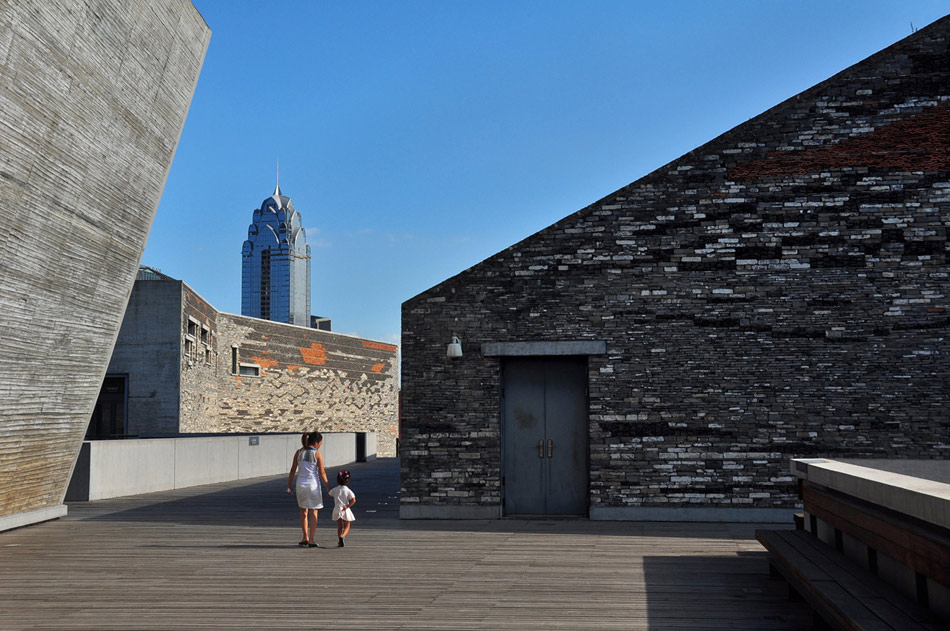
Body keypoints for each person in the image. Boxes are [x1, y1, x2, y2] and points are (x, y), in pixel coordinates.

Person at [286, 432, 329, 547]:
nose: (320, 445)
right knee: (314, 511)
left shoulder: (298, 452)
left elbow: (292, 470)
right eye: (320, 443)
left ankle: (304, 536)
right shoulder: (317, 454)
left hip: (300, 484)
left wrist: (289, 485)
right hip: (313, 485)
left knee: (303, 511)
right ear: (316, 442)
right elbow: (322, 472)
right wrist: (328, 487)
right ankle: (312, 539)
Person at [329, 470, 356, 547]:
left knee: (339, 526)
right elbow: (354, 500)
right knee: (347, 526)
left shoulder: (335, 489)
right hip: (345, 509)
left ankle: (339, 541)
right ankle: (342, 536)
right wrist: (348, 506)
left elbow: (329, 494)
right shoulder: (347, 490)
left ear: (337, 481)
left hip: (337, 508)